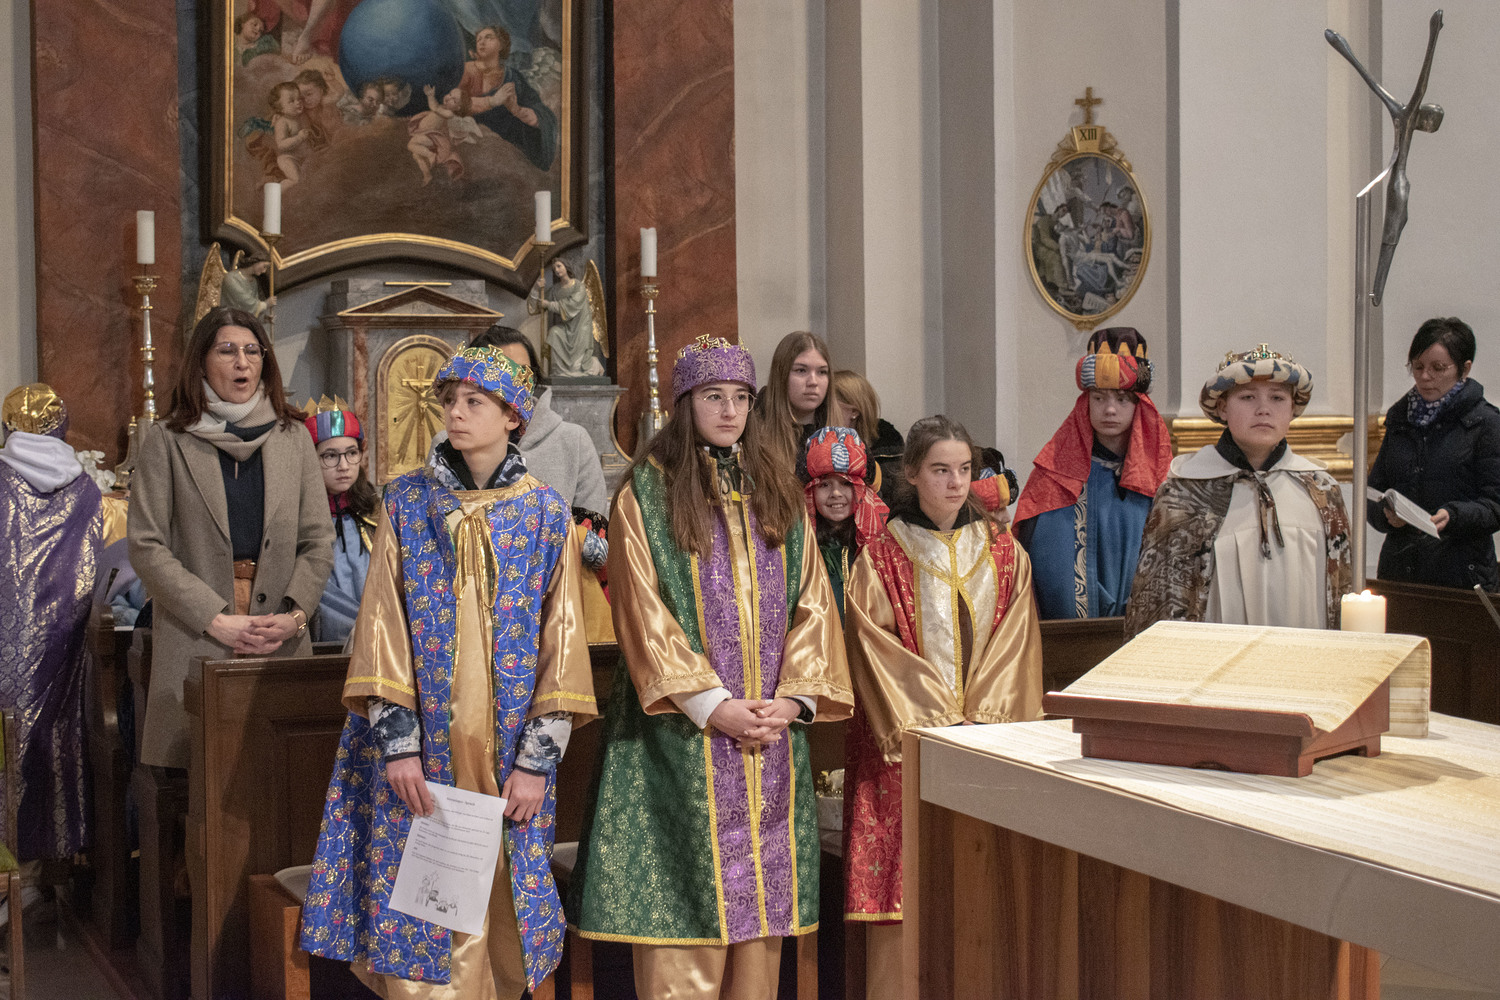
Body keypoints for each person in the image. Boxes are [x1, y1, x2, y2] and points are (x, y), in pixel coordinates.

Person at [300, 346, 595, 997]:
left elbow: (563, 645)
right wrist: (398, 746)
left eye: (474, 402)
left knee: (500, 903)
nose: (455, 414)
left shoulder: (545, 512)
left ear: (513, 416)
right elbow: (383, 628)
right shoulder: (407, 503)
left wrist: (536, 762)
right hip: (422, 752)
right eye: (450, 401)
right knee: (421, 910)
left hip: (508, 753)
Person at [569, 335, 852, 999]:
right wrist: (714, 705)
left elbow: (814, 601)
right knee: (685, 926)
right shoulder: (647, 494)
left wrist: (793, 701)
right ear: (684, 403)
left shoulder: (778, 491)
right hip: (678, 740)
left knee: (760, 935)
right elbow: (641, 612)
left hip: (768, 742)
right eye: (714, 397)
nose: (730, 411)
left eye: (742, 398)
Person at [842, 415, 1043, 997]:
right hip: (906, 748)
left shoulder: (1003, 552)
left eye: (964, 470)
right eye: (940, 470)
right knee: (905, 892)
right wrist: (937, 720)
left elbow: (1017, 639)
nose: (955, 483)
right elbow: (873, 647)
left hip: (985, 742)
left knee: (982, 893)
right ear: (911, 473)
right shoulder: (881, 557)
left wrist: (983, 718)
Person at [127, 308, 334, 769]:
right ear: (201, 363)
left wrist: (294, 616)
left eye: (252, 351)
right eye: (227, 351)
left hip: (277, 633)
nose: (243, 362)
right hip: (198, 631)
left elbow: (318, 541)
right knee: (203, 776)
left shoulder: (293, 437)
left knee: (282, 772)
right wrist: (214, 619)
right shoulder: (167, 440)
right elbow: (146, 545)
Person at [1126, 345, 1352, 638]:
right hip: (1215, 651)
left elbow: (1341, 589)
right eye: (1247, 397)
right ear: (1222, 407)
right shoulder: (1183, 491)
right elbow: (1156, 600)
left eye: (1277, 398)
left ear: (1292, 409)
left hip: (1304, 648)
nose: (1263, 409)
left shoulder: (1321, 490)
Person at [0, 385, 101, 864]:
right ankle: (53, 855)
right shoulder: (87, 489)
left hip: (5, 644)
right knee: (56, 731)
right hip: (64, 639)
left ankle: (6, 865)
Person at [1013, 328, 1173, 619]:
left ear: (1139, 407)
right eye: (1099, 398)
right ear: (1086, 404)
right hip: (1074, 632)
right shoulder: (1054, 477)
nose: (1110, 409)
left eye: (1122, 399)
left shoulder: (1162, 480)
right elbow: (1036, 561)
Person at [1368, 317, 1500, 590]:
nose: (1425, 377)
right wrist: (1386, 515)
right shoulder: (1400, 419)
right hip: (1400, 571)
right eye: (1418, 367)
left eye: (1438, 368)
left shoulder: (1486, 423)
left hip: (1462, 575)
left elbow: (1495, 505)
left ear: (1464, 368)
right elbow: (1373, 491)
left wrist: (1454, 516)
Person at [472, 324, 608, 514]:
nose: (517, 384)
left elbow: (593, 525)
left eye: (524, 373)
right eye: (503, 374)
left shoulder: (573, 440)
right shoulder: (448, 445)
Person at [797, 425, 889, 619]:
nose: (836, 493)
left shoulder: (883, 546)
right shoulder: (800, 547)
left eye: (847, 483)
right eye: (824, 484)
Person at [303, 399, 376, 644]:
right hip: (320, 640)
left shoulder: (379, 514)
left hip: (377, 637)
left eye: (351, 453)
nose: (343, 466)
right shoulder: (298, 521)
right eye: (330, 456)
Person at [458, 24, 559, 170]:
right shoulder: (466, 71)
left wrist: (517, 110)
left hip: (506, 148)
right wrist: (493, 101)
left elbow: (540, 113)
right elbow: (453, 104)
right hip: (474, 143)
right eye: (479, 39)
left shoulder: (513, 77)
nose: (481, 42)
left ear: (501, 44)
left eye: (488, 37)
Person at [750, 330, 833, 469]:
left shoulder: (844, 437)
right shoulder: (754, 436)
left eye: (822, 372)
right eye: (801, 370)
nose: (813, 382)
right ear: (781, 375)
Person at [831, 369, 904, 499]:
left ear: (854, 411)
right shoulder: (815, 445)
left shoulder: (890, 457)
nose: (820, 412)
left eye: (828, 406)